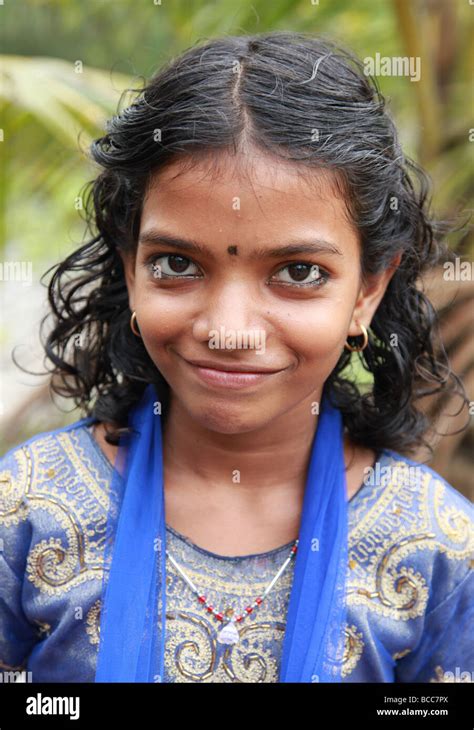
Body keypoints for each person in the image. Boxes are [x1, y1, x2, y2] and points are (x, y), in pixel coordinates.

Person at [0, 31, 472, 684]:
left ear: (368, 290)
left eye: (298, 272)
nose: (230, 331)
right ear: (130, 269)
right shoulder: (23, 514)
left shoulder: (441, 549)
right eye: (176, 264)